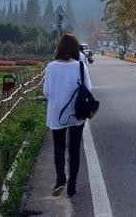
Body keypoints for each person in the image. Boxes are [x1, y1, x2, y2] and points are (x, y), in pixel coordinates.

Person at [43, 33, 93, 198]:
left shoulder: (51, 67)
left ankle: (60, 179)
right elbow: (88, 89)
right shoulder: (80, 66)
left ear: (59, 47)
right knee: (74, 149)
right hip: (76, 114)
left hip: (57, 114)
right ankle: (72, 185)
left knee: (58, 148)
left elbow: (47, 92)